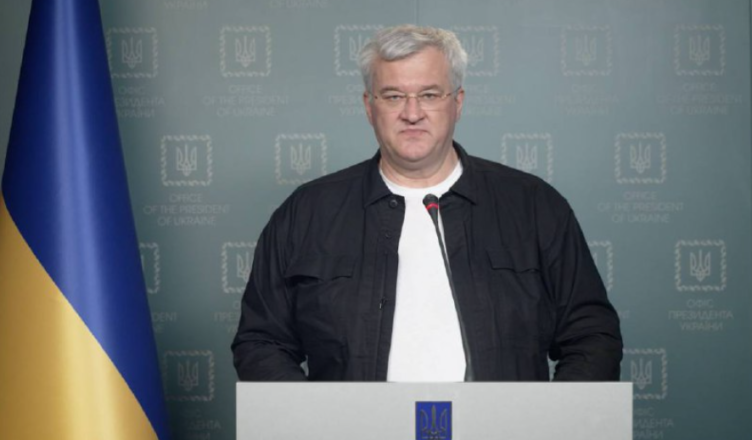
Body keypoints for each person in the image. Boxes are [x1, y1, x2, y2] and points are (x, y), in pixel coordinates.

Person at [232, 24, 622, 382]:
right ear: (369, 106)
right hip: (354, 427)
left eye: (430, 95)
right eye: (393, 96)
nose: (412, 113)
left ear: (458, 103)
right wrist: (318, 421)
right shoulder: (308, 212)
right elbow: (261, 342)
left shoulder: (533, 206)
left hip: (501, 426)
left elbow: (592, 335)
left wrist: (545, 422)